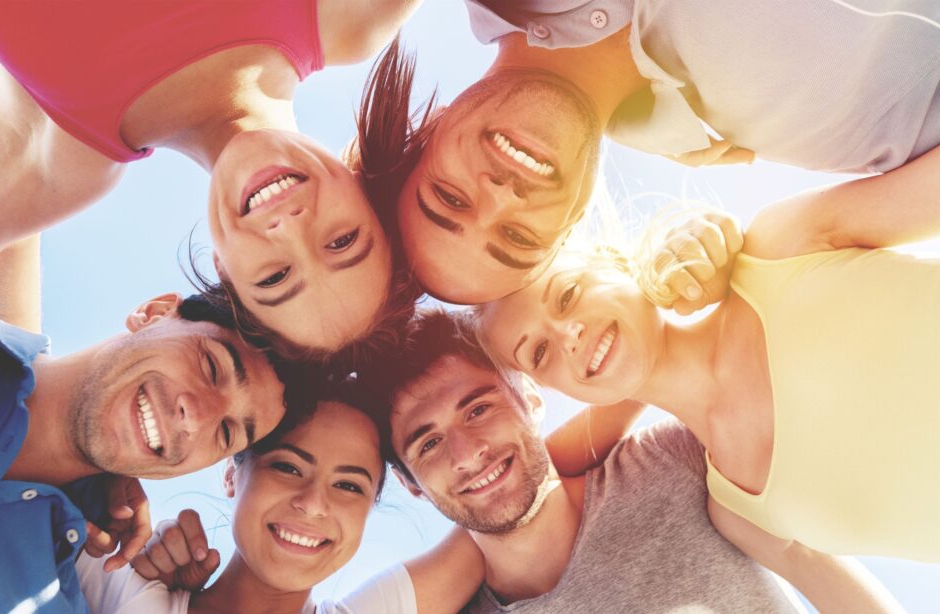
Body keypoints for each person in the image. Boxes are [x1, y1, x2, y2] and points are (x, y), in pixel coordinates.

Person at [476, 144, 940, 562]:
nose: (568, 334)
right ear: (546, 390)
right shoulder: (741, 514)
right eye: (539, 352)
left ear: (614, 261)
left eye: (568, 293)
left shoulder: (783, 247)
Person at [0, 0, 425, 357]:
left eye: (274, 277)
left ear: (223, 267)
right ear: (362, 177)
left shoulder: (63, 161)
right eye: (342, 241)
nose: (289, 228)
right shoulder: (351, 15)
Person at [381, 0, 940, 304]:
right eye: (518, 238)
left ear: (429, 126)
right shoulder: (739, 135)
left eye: (449, 197)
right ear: (571, 225)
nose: (501, 198)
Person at [0, 162, 291, 610]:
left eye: (228, 433)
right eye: (211, 367)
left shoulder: (57, 594)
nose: (198, 416)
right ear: (154, 312)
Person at [380, 309, 902, 612]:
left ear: (532, 401)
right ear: (413, 487)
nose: (468, 453)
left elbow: (811, 560)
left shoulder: (674, 458)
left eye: (478, 409)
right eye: (428, 444)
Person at [77, 380, 486, 613]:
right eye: (288, 467)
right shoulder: (126, 578)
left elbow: (511, 501)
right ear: (232, 475)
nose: (313, 503)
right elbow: (25, 392)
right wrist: (98, 476)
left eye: (348, 486)